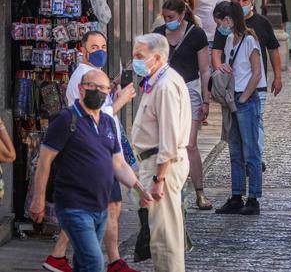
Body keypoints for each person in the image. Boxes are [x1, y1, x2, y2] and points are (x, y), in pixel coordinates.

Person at [30, 70, 152, 272]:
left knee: (83, 262)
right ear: (81, 89)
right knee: (94, 262)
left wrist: (138, 187)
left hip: (100, 207)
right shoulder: (65, 119)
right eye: (92, 87)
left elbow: (119, 164)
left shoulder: (107, 122)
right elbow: (44, 161)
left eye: (104, 88)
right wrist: (38, 198)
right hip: (73, 206)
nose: (99, 92)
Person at [45, 30, 137, 272]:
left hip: (104, 149)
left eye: (103, 46)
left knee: (108, 207)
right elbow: (94, 114)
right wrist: (121, 100)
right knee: (99, 209)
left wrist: (114, 89)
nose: (100, 51)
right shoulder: (83, 77)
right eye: (94, 47)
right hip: (91, 151)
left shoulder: (91, 75)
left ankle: (104, 259)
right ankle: (106, 260)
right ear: (82, 49)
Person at [131, 33, 192, 272]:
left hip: (161, 164)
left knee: (165, 237)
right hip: (154, 162)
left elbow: (169, 136)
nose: (135, 61)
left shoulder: (165, 85)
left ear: (155, 57)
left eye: (139, 56)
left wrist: (159, 178)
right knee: (162, 233)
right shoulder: (156, 80)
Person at [153, 0, 213, 210]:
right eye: (165, 17)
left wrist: (206, 100)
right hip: (165, 91)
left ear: (181, 15)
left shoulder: (196, 34)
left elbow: (205, 70)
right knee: (166, 142)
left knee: (190, 144)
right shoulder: (159, 34)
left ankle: (200, 192)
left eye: (171, 17)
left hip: (190, 89)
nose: (167, 20)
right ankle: (169, 192)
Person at [213, 0, 282, 165]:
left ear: (251, 1)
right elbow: (216, 51)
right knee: (236, 126)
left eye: (244, 0)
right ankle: (246, 159)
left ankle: (254, 161)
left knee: (256, 122)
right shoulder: (225, 27)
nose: (241, 4)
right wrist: (220, 69)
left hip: (257, 85)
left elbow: (273, 50)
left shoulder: (262, 23)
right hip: (233, 86)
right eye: (237, 1)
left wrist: (278, 76)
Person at [214, 2, 265, 215]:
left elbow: (256, 72)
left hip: (245, 99)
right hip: (232, 99)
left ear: (229, 20)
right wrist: (223, 67)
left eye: (220, 22)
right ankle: (236, 195)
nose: (219, 27)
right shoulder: (228, 40)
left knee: (251, 149)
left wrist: (244, 97)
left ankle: (253, 197)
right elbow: (231, 65)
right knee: (235, 149)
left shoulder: (250, 40)